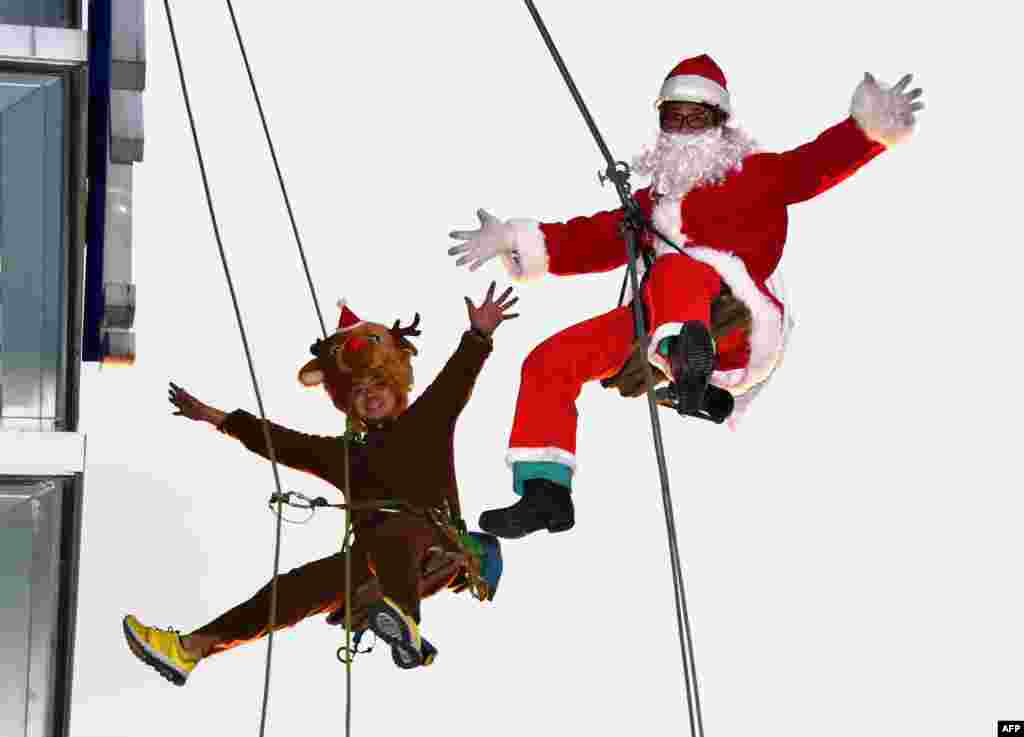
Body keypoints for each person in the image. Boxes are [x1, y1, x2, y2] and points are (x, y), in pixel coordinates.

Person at [447, 53, 924, 540]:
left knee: (679, 271)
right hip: (659, 319)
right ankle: (545, 493)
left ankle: (686, 361)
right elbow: (592, 239)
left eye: (697, 119)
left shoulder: (756, 174)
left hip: (731, 316)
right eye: (673, 118)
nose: (683, 129)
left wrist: (868, 128)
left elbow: (814, 165)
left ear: (721, 124)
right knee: (550, 360)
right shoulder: (651, 204)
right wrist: (512, 238)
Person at [122, 283, 519, 683]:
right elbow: (282, 443)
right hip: (375, 562)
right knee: (295, 589)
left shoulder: (425, 423)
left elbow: (455, 382)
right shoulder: (346, 456)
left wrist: (479, 334)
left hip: (432, 547)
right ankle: (188, 649)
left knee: (393, 531)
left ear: (397, 384)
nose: (371, 395)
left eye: (379, 384)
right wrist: (216, 417)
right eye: (359, 391)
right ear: (348, 403)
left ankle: (406, 625)